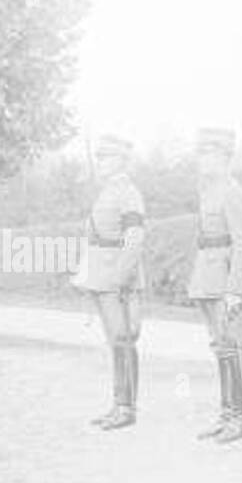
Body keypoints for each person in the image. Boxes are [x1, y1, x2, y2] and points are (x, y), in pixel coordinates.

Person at [70, 135, 146, 430]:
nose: (100, 162)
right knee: (115, 342)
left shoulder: (128, 193)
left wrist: (120, 278)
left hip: (118, 278)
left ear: (123, 161)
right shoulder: (108, 192)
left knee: (123, 340)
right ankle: (118, 404)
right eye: (99, 157)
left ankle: (126, 408)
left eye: (107, 157)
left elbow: (134, 240)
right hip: (103, 276)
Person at [187, 127, 242, 444]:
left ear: (225, 157)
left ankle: (239, 418)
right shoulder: (208, 191)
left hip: (227, 280)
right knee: (221, 348)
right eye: (201, 153)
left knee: (232, 347)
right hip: (207, 278)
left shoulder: (233, 191)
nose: (203, 159)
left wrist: (235, 290)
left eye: (209, 153)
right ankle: (226, 414)